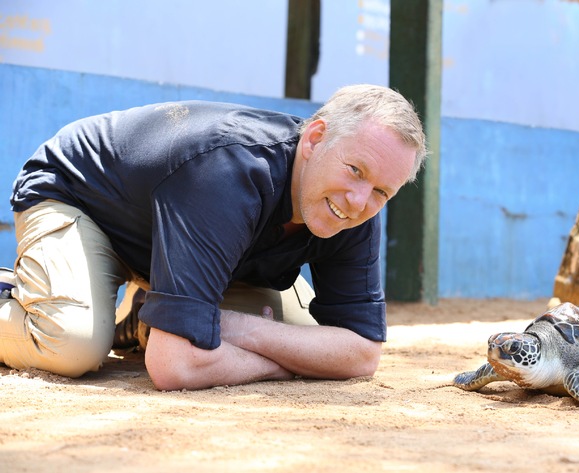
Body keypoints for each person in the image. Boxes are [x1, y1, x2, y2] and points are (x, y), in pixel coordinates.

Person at [0, 84, 427, 390]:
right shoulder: (228, 173)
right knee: (71, 345)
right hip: (83, 200)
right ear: (316, 138)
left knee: (291, 331)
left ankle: (148, 313)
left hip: (181, 242)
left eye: (382, 192)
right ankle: (14, 294)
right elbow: (174, 367)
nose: (357, 201)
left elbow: (361, 354)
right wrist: (282, 366)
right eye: (355, 170)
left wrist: (238, 328)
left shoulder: (355, 205)